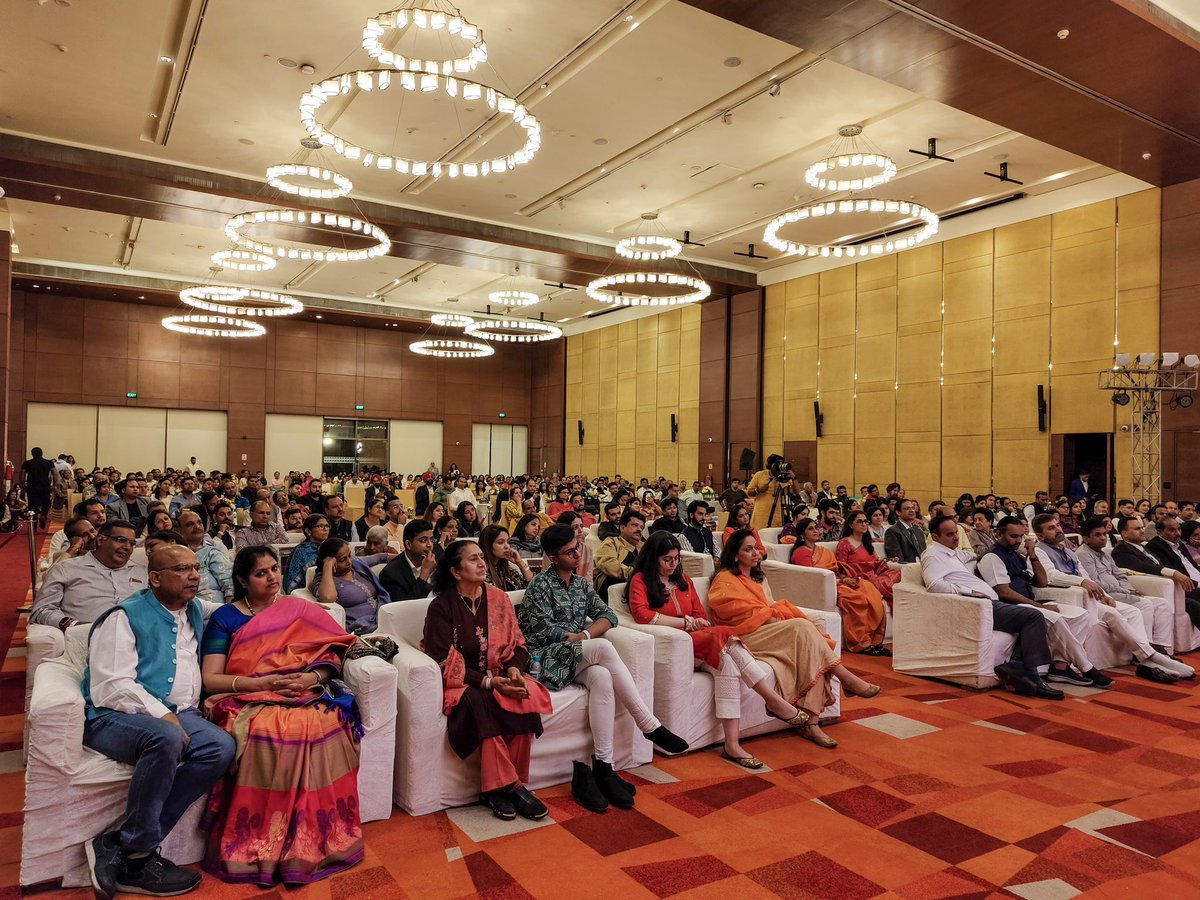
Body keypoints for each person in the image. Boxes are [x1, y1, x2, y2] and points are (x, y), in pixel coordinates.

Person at [200, 547, 363, 885]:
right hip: (247, 696)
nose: (273, 577)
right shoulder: (226, 617)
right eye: (261, 573)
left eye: (275, 569)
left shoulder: (297, 609)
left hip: (302, 690)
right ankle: (263, 843)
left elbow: (332, 655)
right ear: (243, 579)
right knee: (270, 731)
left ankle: (313, 839)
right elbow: (211, 678)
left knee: (325, 723)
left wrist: (311, 678)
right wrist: (264, 682)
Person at [81, 545, 236, 899]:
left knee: (220, 746)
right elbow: (112, 686)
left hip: (181, 713)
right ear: (155, 578)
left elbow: (238, 611)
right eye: (182, 569)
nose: (194, 576)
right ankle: (138, 856)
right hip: (113, 718)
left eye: (196, 568)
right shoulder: (125, 616)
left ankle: (119, 843)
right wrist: (164, 715)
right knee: (166, 737)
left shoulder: (193, 608)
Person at [517, 524, 688, 813]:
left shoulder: (583, 584)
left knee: (602, 676)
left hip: (573, 654)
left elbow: (608, 615)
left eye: (577, 547)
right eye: (569, 551)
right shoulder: (540, 585)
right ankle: (648, 723)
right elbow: (541, 630)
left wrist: (584, 635)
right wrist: (581, 637)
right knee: (604, 648)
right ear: (553, 557)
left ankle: (604, 766)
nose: (577, 553)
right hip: (543, 659)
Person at [627, 532, 810, 768]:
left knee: (729, 666)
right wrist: (685, 623)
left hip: (701, 643)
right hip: (675, 647)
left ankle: (731, 745)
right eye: (667, 560)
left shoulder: (684, 580)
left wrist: (696, 622)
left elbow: (700, 614)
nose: (673, 565)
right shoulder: (641, 580)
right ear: (653, 559)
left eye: (676, 559)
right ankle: (772, 699)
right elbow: (643, 615)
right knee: (723, 633)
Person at [708, 529, 880, 749]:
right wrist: (773, 617)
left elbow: (766, 607)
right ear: (734, 555)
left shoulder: (759, 577)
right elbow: (732, 612)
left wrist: (773, 617)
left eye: (756, 549)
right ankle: (844, 677)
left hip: (769, 630)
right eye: (747, 550)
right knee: (802, 627)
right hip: (743, 636)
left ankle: (812, 724)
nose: (755, 554)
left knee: (811, 643)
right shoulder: (725, 578)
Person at [422, 540, 552, 821]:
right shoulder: (441, 607)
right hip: (465, 684)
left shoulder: (499, 599)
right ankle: (506, 788)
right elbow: (441, 659)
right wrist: (489, 683)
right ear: (456, 572)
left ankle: (507, 786)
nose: (482, 563)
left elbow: (518, 643)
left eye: (482, 557)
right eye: (473, 559)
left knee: (523, 696)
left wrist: (515, 670)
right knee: (483, 704)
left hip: (501, 674)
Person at [919, 515, 1063, 699]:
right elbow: (934, 585)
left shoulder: (953, 552)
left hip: (988, 604)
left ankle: (1018, 665)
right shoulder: (933, 554)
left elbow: (973, 556)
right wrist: (970, 591)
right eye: (949, 534)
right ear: (935, 537)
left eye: (956, 532)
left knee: (1028, 617)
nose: (956, 537)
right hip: (977, 606)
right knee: (1033, 616)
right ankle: (1031, 675)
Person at [1039, 516, 1191, 682]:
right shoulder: (1041, 551)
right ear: (1040, 535)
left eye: (1057, 525)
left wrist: (1107, 594)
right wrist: (1085, 583)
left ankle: (1150, 657)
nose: (1058, 529)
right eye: (1051, 528)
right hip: (1073, 597)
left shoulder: (1068, 551)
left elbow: (1089, 575)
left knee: (1133, 611)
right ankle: (1150, 658)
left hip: (1093, 595)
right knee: (1118, 613)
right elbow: (1052, 576)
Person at [977, 517, 1112, 689]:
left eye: (1020, 536)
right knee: (1057, 619)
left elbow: (1041, 582)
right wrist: (1039, 607)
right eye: (1013, 536)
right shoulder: (992, 557)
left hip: (1030, 600)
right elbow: (1004, 592)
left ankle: (1060, 666)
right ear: (998, 534)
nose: (1017, 541)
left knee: (1081, 615)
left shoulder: (1017, 555)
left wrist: (1032, 555)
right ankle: (1087, 667)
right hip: (1012, 606)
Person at [791, 518, 888, 655]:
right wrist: (839, 581)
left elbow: (836, 569)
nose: (816, 531)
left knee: (868, 590)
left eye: (816, 528)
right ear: (801, 534)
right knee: (856, 599)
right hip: (823, 587)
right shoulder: (801, 552)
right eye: (810, 528)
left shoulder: (823, 550)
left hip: (837, 581)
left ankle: (874, 640)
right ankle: (860, 642)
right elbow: (812, 577)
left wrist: (845, 578)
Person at [32, 520, 148, 628]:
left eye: (132, 543)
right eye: (121, 540)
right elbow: (41, 610)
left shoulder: (143, 573)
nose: (127, 547)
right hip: (87, 638)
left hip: (138, 639)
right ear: (100, 540)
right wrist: (73, 624)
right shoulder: (66, 569)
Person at [1112, 515, 1200, 634]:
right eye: (1137, 529)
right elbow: (1143, 568)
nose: (1143, 530)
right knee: (1193, 604)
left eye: (1142, 527)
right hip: (1159, 589)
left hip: (1173, 586)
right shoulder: (1122, 549)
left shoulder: (1142, 547)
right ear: (1125, 533)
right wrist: (1172, 573)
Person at [312, 537, 392, 633]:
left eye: (349, 556)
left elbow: (381, 557)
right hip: (361, 628)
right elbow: (328, 598)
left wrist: (407, 557)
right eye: (342, 560)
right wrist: (328, 566)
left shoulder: (356, 564)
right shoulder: (323, 579)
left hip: (383, 616)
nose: (349, 562)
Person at [836, 510, 902, 601]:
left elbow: (876, 562)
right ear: (851, 525)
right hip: (859, 579)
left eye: (865, 521)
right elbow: (840, 567)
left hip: (874, 576)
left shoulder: (867, 542)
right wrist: (845, 579)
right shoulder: (844, 543)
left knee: (900, 573)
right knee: (888, 584)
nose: (863, 524)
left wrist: (888, 560)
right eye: (859, 521)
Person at [176, 509, 233, 604]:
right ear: (179, 530)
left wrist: (229, 610)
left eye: (199, 522)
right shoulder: (175, 555)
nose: (197, 527)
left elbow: (229, 582)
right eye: (190, 524)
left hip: (216, 606)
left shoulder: (211, 552)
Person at [379, 519, 438, 600]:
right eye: (424, 540)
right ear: (408, 544)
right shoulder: (390, 574)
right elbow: (406, 607)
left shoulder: (437, 561)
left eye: (432, 540)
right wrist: (424, 574)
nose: (430, 545)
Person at [594, 509, 645, 595]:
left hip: (639, 587)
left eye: (642, 527)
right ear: (622, 528)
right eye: (635, 525)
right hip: (612, 587)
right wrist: (633, 574)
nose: (639, 529)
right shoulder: (612, 542)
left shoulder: (643, 547)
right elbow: (608, 563)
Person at [283, 514, 331, 594]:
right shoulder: (302, 551)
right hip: (306, 590)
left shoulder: (331, 548)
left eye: (327, 526)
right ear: (308, 531)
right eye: (320, 526)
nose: (325, 529)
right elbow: (293, 579)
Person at [745, 455, 793, 530]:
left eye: (781, 464)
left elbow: (796, 491)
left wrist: (794, 477)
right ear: (770, 465)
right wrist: (758, 490)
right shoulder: (759, 475)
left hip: (779, 516)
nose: (779, 466)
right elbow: (749, 493)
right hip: (760, 517)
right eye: (777, 464)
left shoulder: (784, 477)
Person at [481, 524, 533, 591]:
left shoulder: (506, 570)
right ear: (488, 545)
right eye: (500, 542)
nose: (507, 546)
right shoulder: (481, 572)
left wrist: (520, 563)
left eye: (508, 542)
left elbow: (533, 588)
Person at [21, 447, 55, 531]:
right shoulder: (48, 463)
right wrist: (55, 485)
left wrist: (23, 485)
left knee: (33, 506)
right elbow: (56, 474)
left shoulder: (27, 463)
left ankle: (34, 526)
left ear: (32, 454)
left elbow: (22, 475)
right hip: (45, 486)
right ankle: (43, 514)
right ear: (42, 453)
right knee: (46, 504)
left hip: (32, 486)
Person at [884, 498, 927, 563]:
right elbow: (897, 559)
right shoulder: (893, 531)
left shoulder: (919, 531)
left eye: (913, 508)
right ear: (898, 512)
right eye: (907, 509)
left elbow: (924, 554)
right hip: (908, 569)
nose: (912, 510)